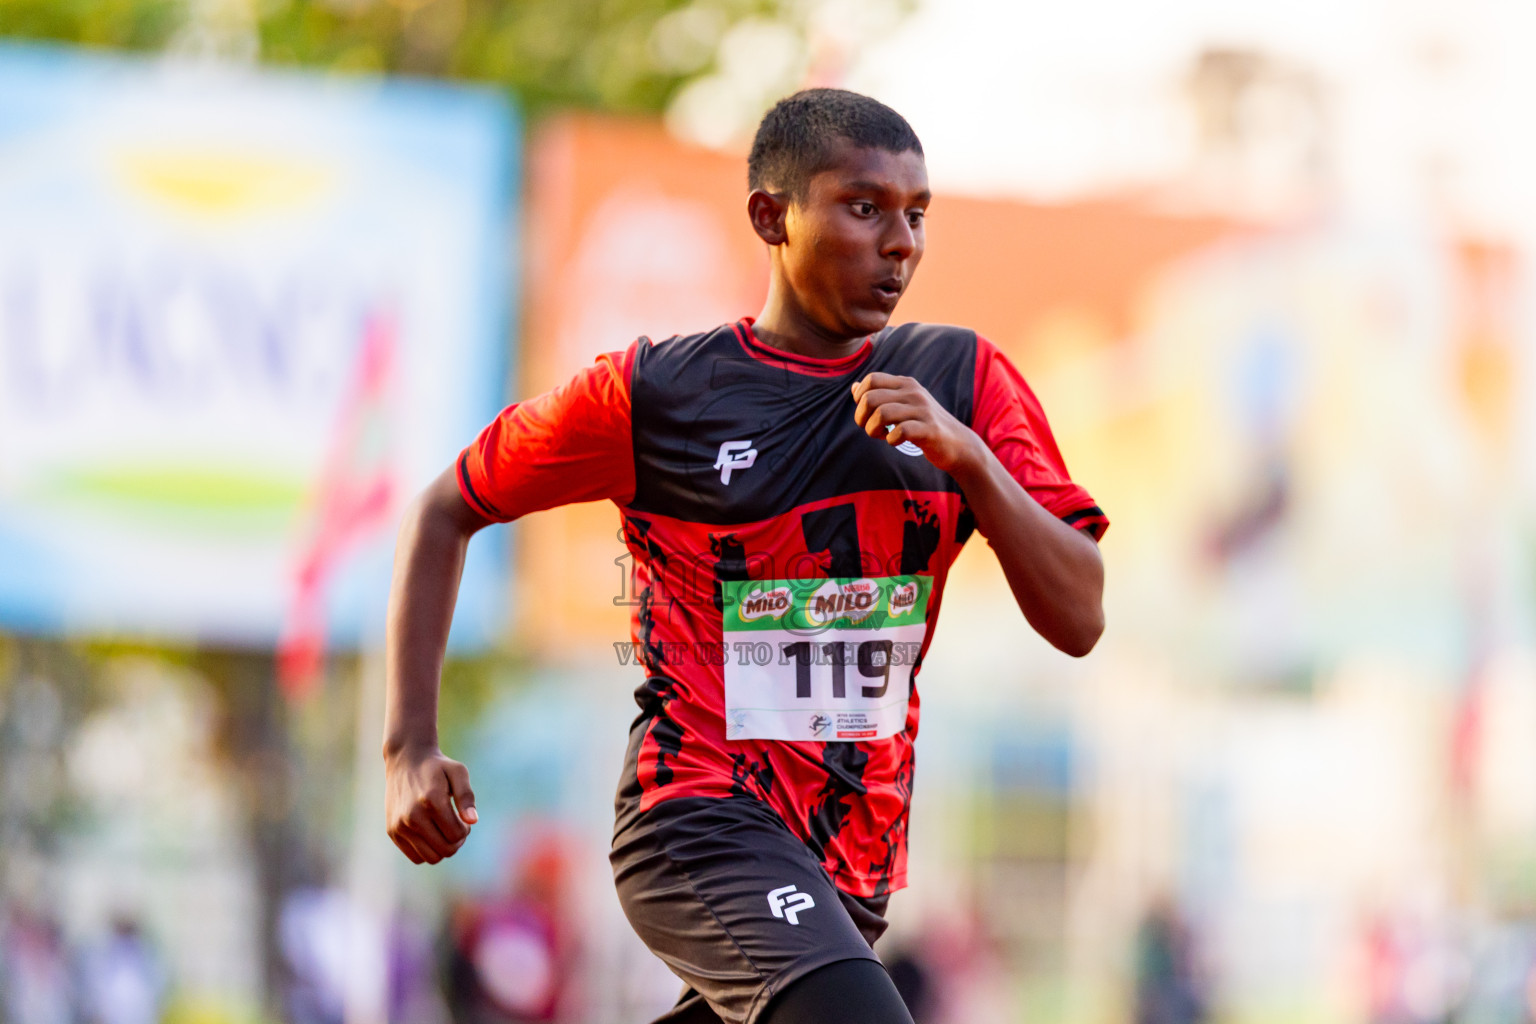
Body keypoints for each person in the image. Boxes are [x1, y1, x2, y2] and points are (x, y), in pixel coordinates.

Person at [383, 88, 1108, 1024]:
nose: (902, 243)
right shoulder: (654, 395)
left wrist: (968, 459)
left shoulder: (963, 382)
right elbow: (444, 510)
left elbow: (1080, 615)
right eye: (863, 207)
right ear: (772, 216)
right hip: (696, 817)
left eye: (917, 214)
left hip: (851, 860)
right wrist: (409, 748)